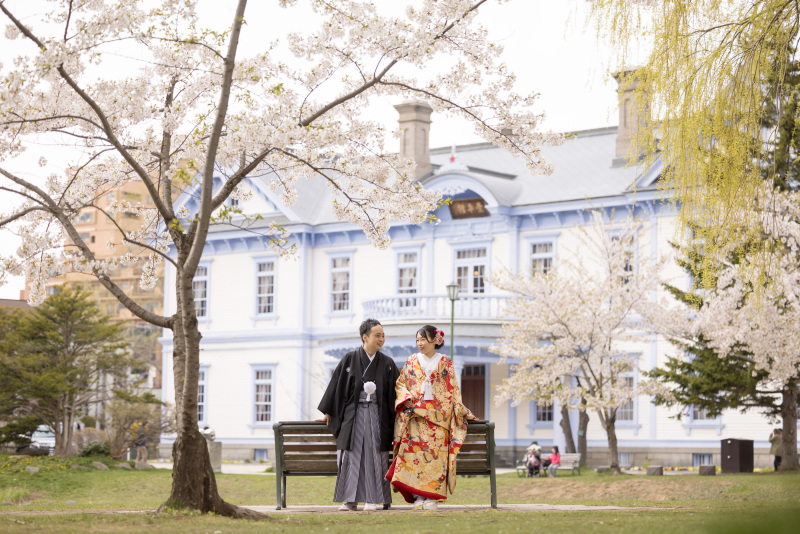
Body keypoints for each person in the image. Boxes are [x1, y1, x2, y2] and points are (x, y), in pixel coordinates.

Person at [386, 325, 476, 511]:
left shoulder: (445, 362)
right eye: (417, 340)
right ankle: (418, 495)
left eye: (423, 339)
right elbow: (401, 384)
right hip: (415, 418)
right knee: (415, 458)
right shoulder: (411, 361)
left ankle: (431, 497)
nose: (420, 343)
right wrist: (406, 399)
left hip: (437, 420)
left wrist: (458, 410)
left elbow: (452, 390)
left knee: (435, 459)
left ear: (435, 340)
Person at [318, 318, 400, 512]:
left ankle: (372, 499)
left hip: (377, 415)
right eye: (377, 335)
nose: (381, 339)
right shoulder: (349, 359)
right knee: (351, 455)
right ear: (365, 337)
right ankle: (350, 500)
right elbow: (336, 386)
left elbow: (398, 392)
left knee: (374, 455)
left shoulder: (387, 363)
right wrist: (328, 411)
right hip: (352, 416)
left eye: (383, 336)